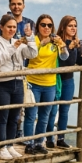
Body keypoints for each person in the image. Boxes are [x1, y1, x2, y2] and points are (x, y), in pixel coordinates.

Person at [0, 14, 37, 160]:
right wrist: (13, 47)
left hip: (18, 83)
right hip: (1, 84)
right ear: (1, 27)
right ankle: (2, 148)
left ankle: (10, 145)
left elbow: (32, 54)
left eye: (14, 27)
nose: (11, 30)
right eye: (9, 27)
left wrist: (30, 38)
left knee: (14, 117)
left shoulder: (18, 42)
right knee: (2, 117)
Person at [23, 14, 68, 155]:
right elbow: (31, 54)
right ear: (38, 26)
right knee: (31, 115)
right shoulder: (33, 40)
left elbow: (64, 57)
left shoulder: (55, 42)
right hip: (33, 82)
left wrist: (62, 44)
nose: (46, 28)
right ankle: (29, 143)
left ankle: (39, 143)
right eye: (43, 25)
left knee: (44, 116)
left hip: (50, 84)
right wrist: (44, 42)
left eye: (49, 25)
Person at [46, 15, 82, 149]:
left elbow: (79, 62)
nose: (73, 28)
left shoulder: (75, 42)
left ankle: (61, 138)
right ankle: (49, 138)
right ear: (63, 27)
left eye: (75, 26)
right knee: (52, 110)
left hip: (68, 80)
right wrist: (70, 47)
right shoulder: (58, 42)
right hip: (57, 80)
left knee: (64, 110)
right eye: (70, 26)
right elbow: (65, 61)